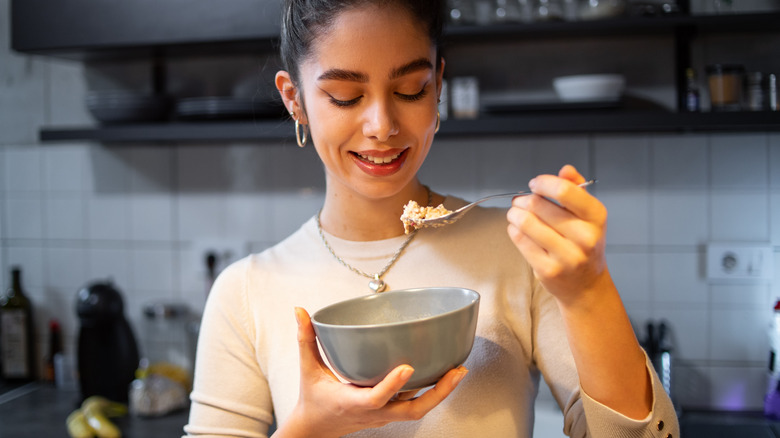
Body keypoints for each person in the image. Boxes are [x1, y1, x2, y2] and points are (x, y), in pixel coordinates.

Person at [184, 0, 679, 436]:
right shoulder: (245, 292)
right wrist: (310, 429)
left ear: (438, 85)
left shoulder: (519, 253)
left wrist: (588, 291)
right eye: (345, 96)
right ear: (296, 100)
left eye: (411, 90)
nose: (382, 126)